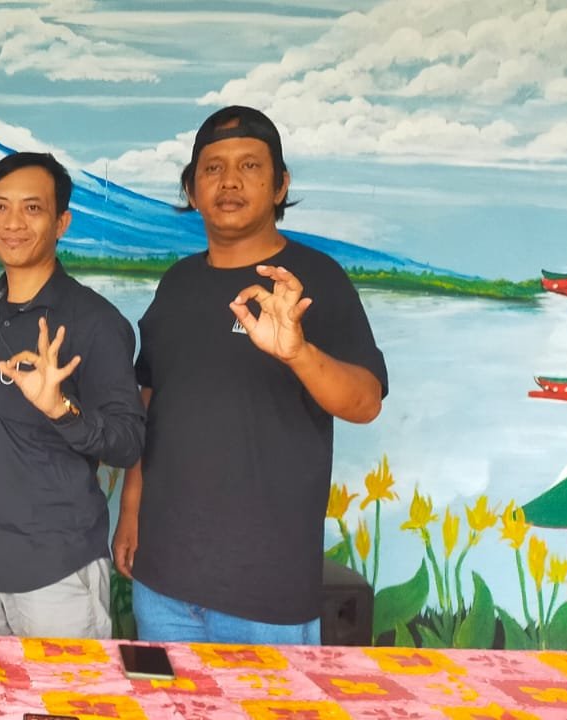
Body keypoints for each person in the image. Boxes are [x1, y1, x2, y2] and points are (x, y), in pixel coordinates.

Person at [113, 105, 388, 644]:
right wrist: (129, 510)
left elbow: (366, 402)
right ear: (192, 190)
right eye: (213, 169)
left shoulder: (316, 280)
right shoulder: (177, 284)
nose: (230, 181)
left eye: (249, 166)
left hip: (267, 590)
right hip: (164, 579)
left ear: (280, 184)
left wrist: (298, 353)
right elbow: (151, 403)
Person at [0, 152, 146, 638]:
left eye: (32, 208)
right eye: (0, 207)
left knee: (65, 689)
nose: (13, 223)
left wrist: (61, 409)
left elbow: (127, 443)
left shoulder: (96, 322)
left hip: (55, 569)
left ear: (62, 222)